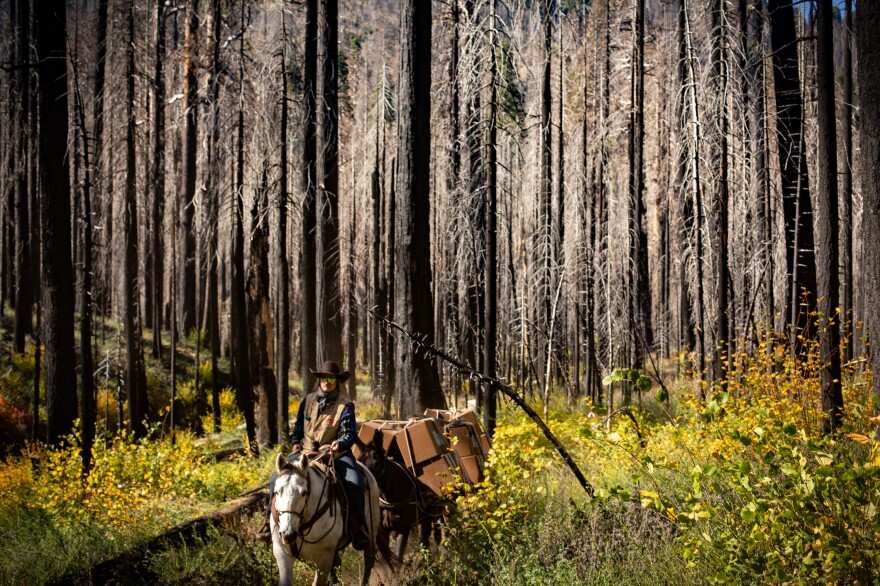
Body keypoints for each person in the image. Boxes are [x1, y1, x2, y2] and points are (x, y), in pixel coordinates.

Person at [258, 361, 369, 550]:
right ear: (319, 380)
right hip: (306, 453)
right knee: (275, 479)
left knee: (355, 482)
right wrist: (295, 443)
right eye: (323, 378)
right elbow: (298, 427)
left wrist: (339, 443)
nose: (327, 382)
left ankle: (358, 529)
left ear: (337, 381)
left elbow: (350, 433)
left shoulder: (345, 405)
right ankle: (268, 525)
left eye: (331, 379)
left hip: (336, 454)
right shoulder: (308, 400)